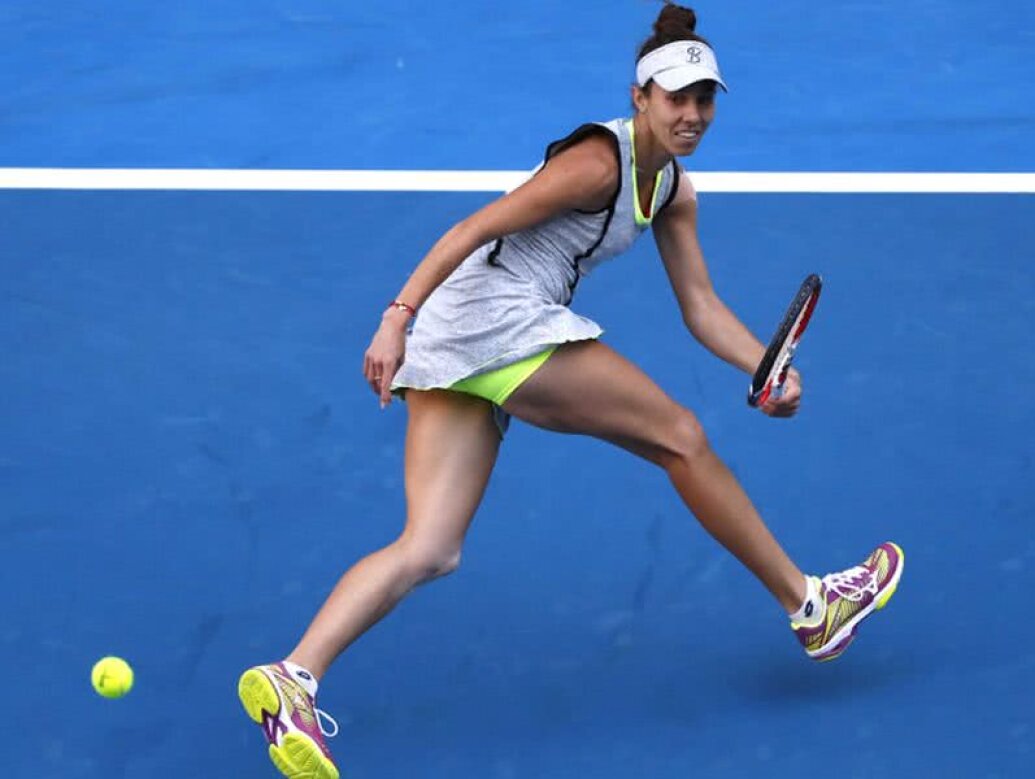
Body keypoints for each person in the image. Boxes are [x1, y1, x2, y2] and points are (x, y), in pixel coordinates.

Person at [237, 4, 903, 777]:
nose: (691, 115)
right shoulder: (597, 162)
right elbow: (474, 227)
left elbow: (702, 308)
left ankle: (294, 677)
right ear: (639, 97)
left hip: (461, 335)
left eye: (704, 99)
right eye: (675, 98)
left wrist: (765, 365)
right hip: (489, 317)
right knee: (679, 435)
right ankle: (810, 605)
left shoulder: (675, 190)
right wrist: (395, 317)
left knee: (430, 547)